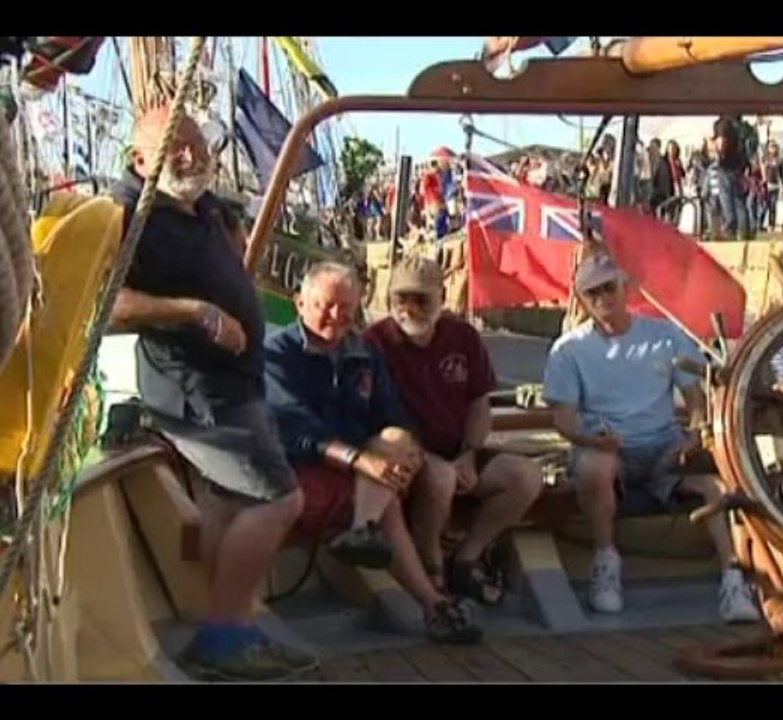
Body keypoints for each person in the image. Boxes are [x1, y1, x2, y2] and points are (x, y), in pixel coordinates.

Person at [108, 105, 313, 681]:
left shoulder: (201, 207)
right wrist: (195, 311)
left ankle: (232, 631)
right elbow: (108, 305)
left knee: (225, 507)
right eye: (175, 145)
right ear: (138, 160)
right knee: (279, 501)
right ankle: (222, 640)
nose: (192, 154)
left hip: (232, 386)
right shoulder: (127, 215)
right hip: (196, 396)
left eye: (198, 143)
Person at [262, 262, 482, 643]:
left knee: (396, 444)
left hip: (361, 469)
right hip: (299, 468)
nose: (337, 316)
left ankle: (366, 533)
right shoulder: (276, 354)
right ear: (299, 303)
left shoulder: (362, 353)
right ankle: (432, 603)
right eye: (326, 305)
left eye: (346, 307)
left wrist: (406, 446)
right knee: (389, 503)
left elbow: (392, 413)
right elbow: (294, 428)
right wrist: (361, 460)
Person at [541, 253, 761, 622]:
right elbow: (563, 422)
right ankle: (605, 564)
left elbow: (697, 402)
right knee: (595, 466)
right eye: (591, 293)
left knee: (720, 485)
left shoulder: (665, 335)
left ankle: (733, 579)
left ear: (625, 288)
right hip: (607, 447)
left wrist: (694, 434)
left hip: (665, 446)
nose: (602, 299)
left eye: (608, 288)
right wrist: (593, 440)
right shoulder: (569, 350)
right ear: (581, 300)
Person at [365, 258, 543, 606]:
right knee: (441, 477)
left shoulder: (463, 337)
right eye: (402, 298)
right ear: (389, 299)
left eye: (422, 299)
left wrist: (470, 454)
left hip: (459, 451)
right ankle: (430, 564)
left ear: (442, 298)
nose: (411, 308)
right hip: (406, 458)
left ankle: (466, 558)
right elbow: (369, 417)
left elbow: (479, 405)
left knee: (526, 476)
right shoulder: (375, 343)